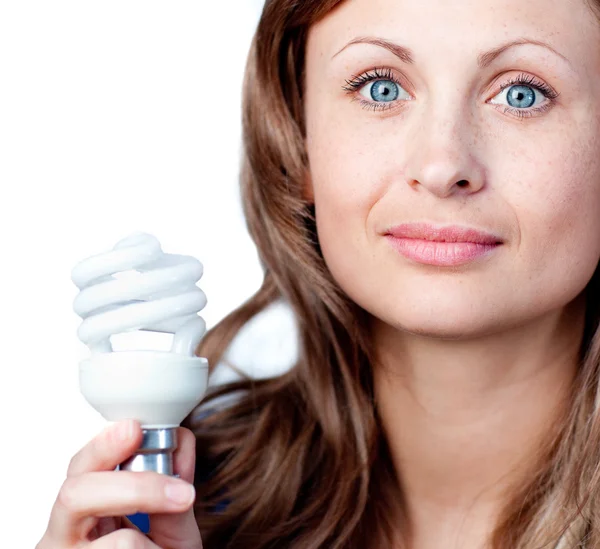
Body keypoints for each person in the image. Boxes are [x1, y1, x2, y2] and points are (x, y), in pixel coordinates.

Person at [36, 0, 600, 547]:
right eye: (381, 87)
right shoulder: (195, 506)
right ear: (297, 138)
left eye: (522, 94)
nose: (441, 166)